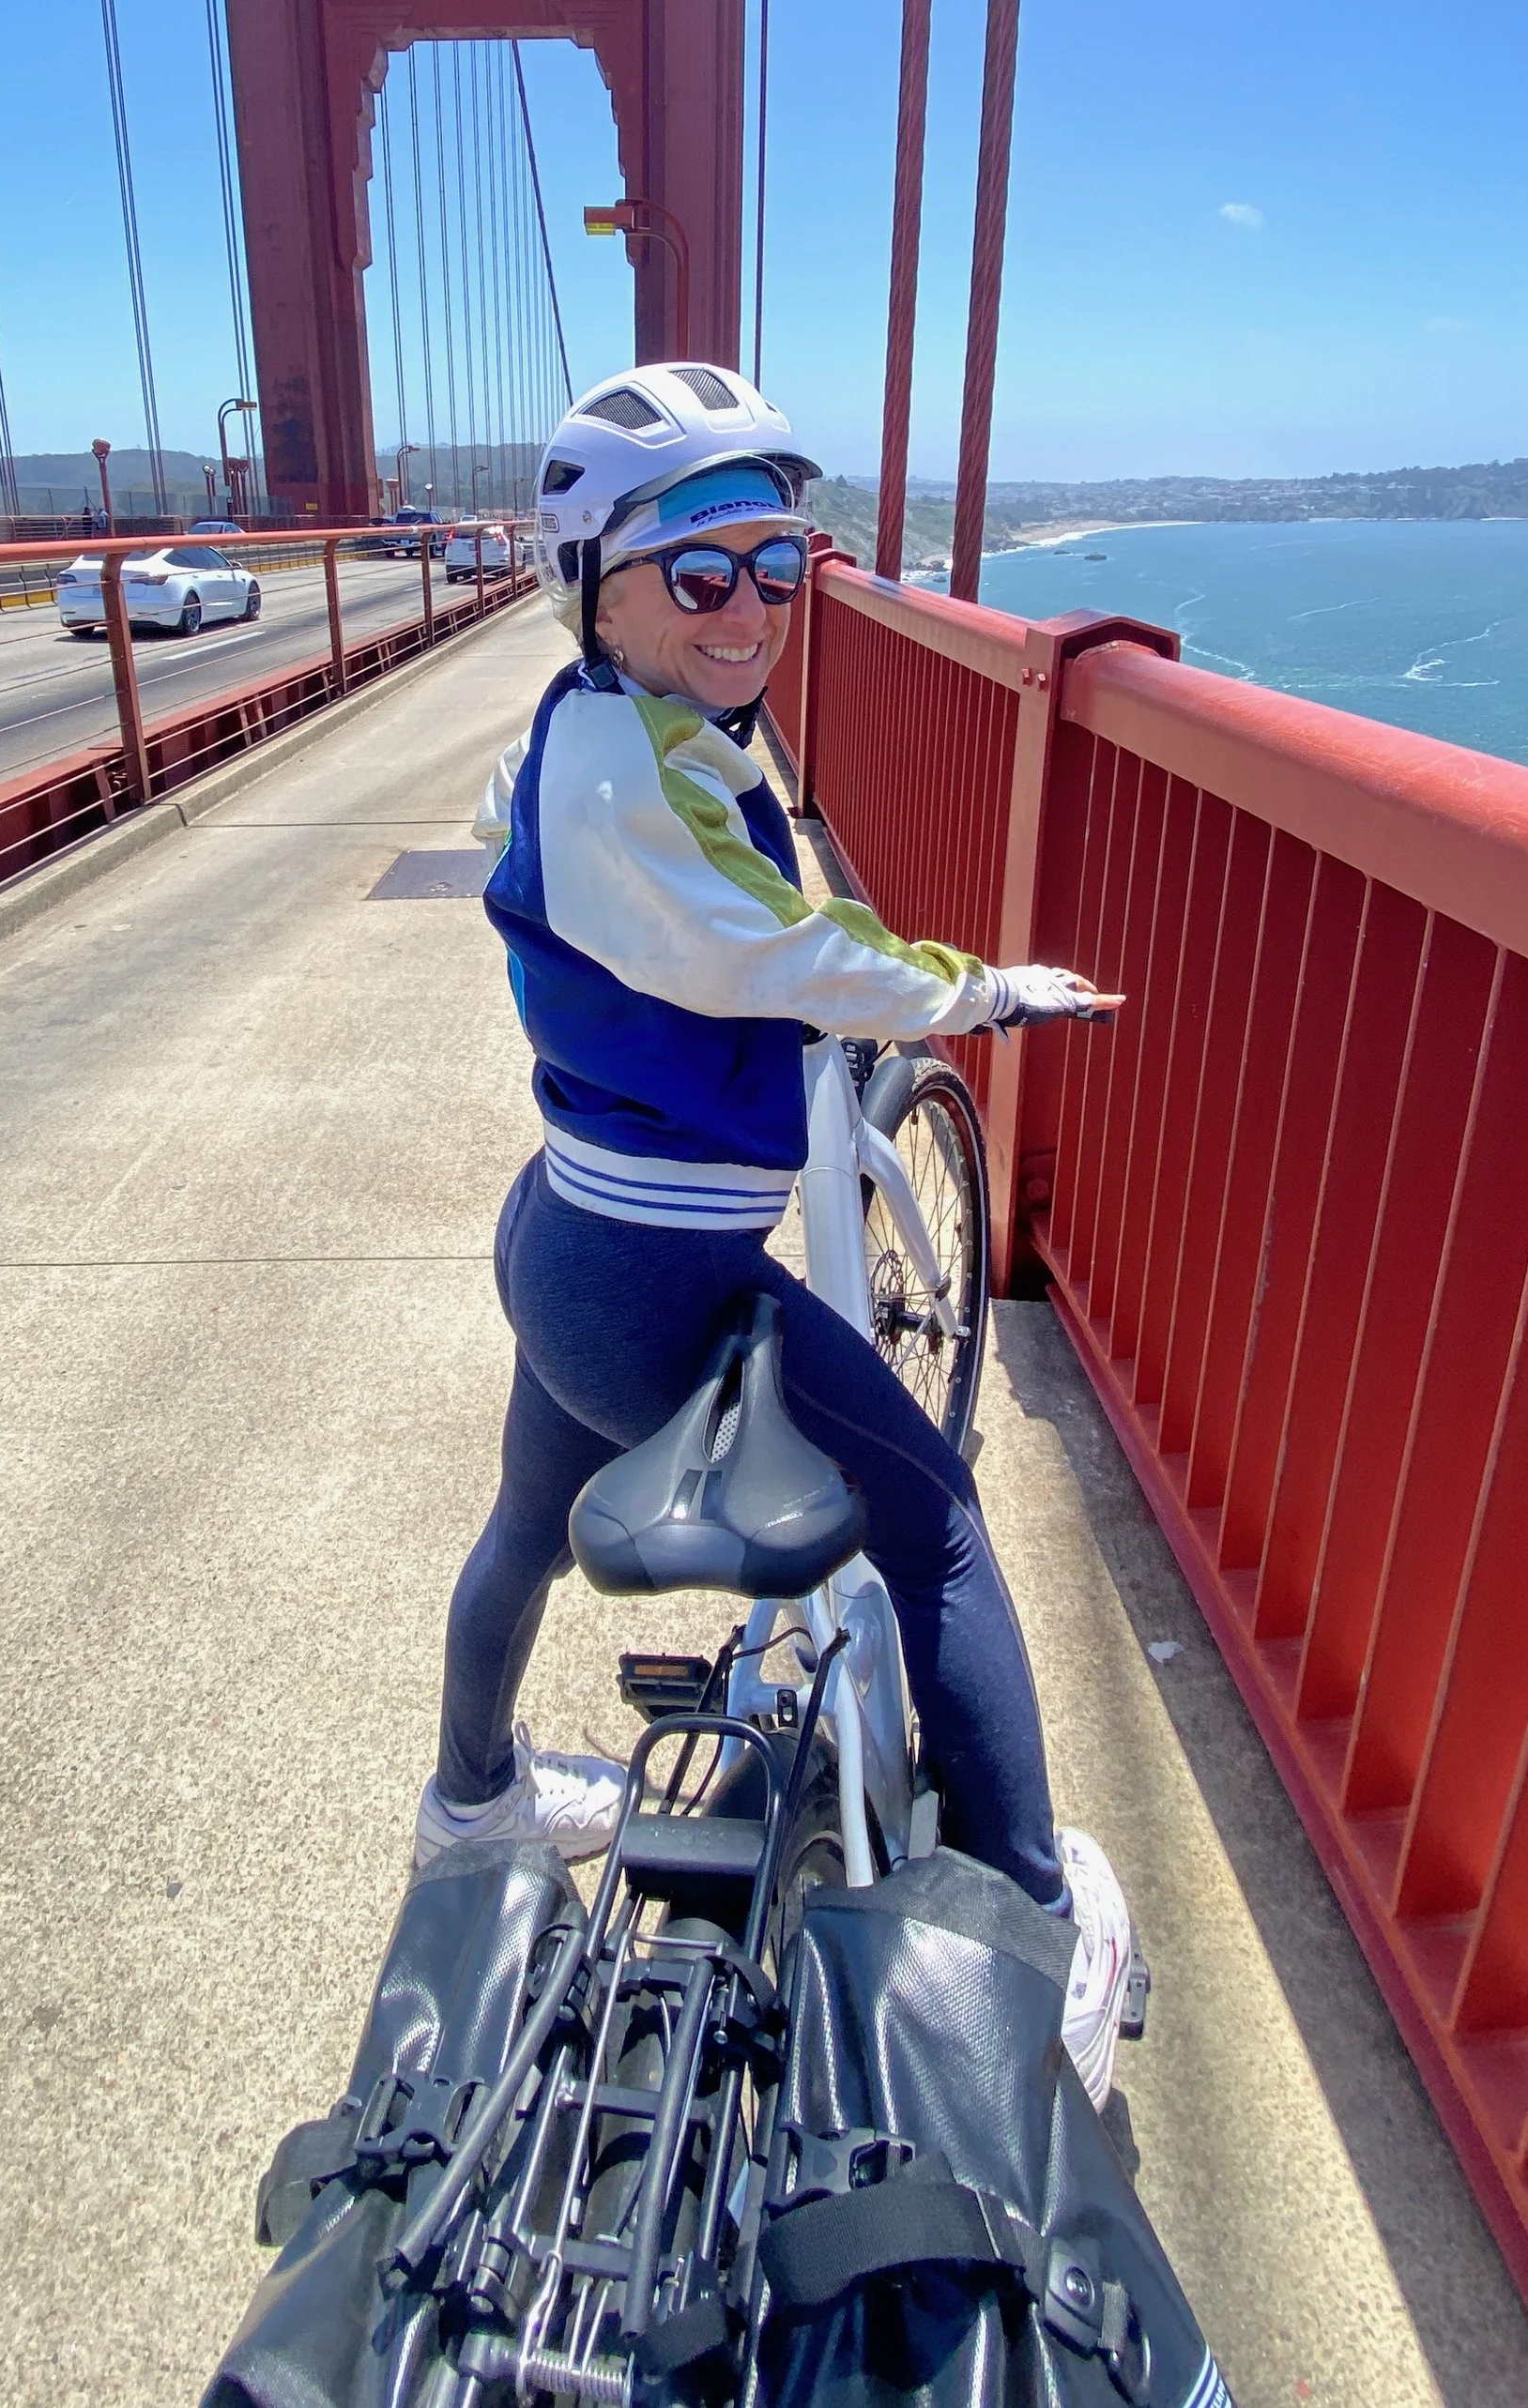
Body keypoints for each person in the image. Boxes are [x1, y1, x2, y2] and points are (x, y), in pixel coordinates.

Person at [420, 363, 1136, 2101]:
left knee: (525, 1515)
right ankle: (1042, 1948)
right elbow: (784, 956)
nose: (752, 611)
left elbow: (739, 931)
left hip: (573, 1225)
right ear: (591, 580)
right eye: (702, 572)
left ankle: (475, 1806)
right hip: (659, 1266)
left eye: (780, 566)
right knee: (944, 1536)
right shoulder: (624, 782)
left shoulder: (614, 725)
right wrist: (982, 991)